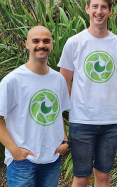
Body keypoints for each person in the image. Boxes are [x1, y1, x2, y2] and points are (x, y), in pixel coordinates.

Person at [58, 0, 117, 187]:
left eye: (104, 7)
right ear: (87, 9)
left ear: (110, 12)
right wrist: (79, 105)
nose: (99, 11)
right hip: (82, 121)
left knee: (102, 176)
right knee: (81, 177)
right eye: (95, 6)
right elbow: (64, 82)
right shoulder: (74, 43)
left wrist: (106, 101)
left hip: (111, 121)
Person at [0, 26, 70, 187]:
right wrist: (15, 151)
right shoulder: (13, 80)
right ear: (26, 44)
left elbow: (57, 113)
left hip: (52, 158)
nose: (41, 45)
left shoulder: (58, 79)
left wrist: (65, 141)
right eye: (35, 41)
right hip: (23, 162)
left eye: (46, 41)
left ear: (51, 45)